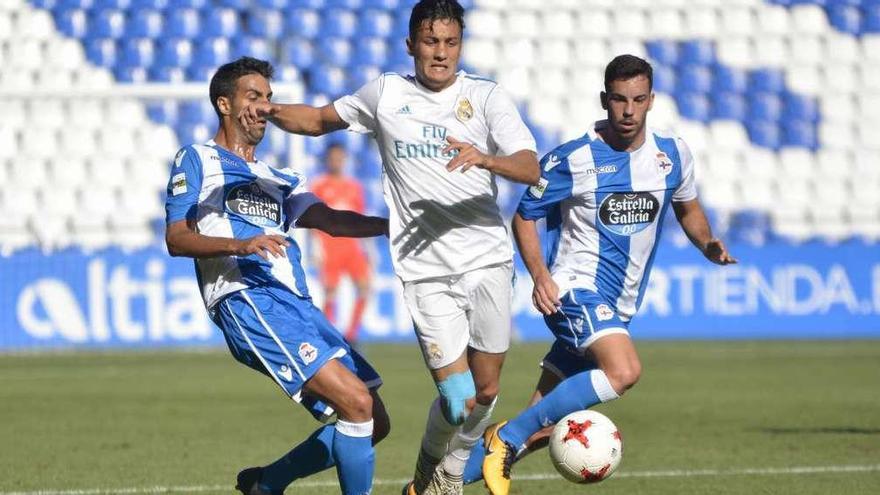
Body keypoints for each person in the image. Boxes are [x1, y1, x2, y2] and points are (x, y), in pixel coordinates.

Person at [236, 1, 540, 493]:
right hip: (423, 268)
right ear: (411, 44)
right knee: (458, 394)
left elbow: (530, 167)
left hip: (487, 259)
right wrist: (271, 109)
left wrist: (484, 159)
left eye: (450, 42)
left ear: (460, 45)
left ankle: (449, 465)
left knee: (486, 389)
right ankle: (434, 476)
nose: (440, 53)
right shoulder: (386, 93)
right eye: (430, 41)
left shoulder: (486, 98)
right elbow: (317, 120)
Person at [474, 54, 738, 495]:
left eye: (637, 99)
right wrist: (540, 275)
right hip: (574, 290)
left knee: (543, 424)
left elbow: (688, 208)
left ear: (651, 100)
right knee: (624, 370)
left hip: (619, 307)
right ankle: (507, 437)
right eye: (619, 100)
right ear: (605, 99)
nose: (628, 111)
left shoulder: (672, 155)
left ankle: (434, 486)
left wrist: (708, 243)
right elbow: (525, 215)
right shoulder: (573, 158)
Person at [163, 56, 391, 495]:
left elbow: (331, 221)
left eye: (269, 97)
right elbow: (176, 238)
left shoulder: (280, 176)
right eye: (254, 97)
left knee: (373, 420)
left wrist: (388, 226)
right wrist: (239, 244)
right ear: (224, 105)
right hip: (247, 297)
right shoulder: (197, 158)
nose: (264, 107)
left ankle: (268, 483)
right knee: (357, 403)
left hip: (298, 305)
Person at [310, 143, 373, 348]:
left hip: (351, 245)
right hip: (329, 245)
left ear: (345, 159)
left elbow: (360, 218)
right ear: (327, 159)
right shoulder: (319, 185)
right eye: (333, 157)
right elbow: (312, 218)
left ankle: (352, 335)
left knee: (365, 287)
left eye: (340, 157)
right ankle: (329, 336)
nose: (336, 161)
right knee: (330, 291)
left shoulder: (354, 187)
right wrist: (316, 246)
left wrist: (368, 248)